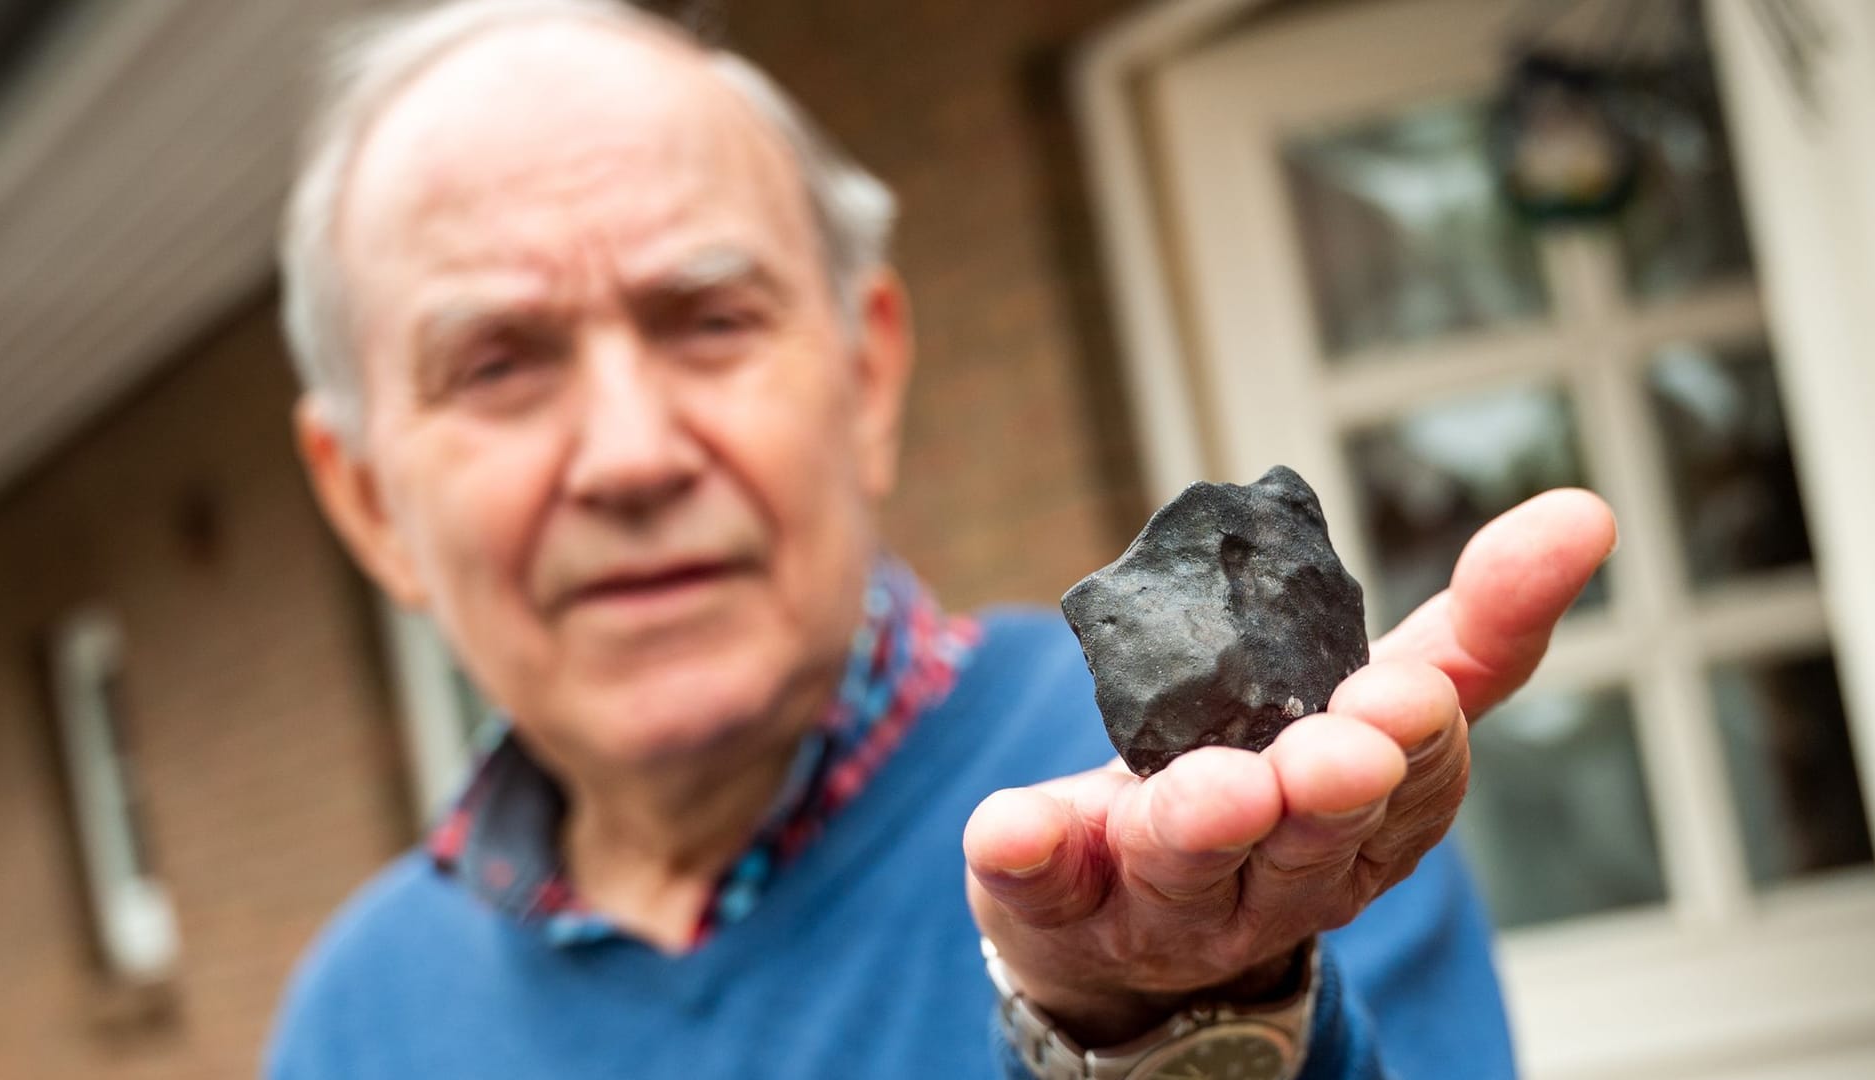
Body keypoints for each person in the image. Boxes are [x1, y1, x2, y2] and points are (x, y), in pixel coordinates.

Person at [266, 1, 1616, 1077]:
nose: (630, 452)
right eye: (498, 363)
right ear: (370, 500)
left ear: (866, 377)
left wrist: (1177, 1022)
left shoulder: (1250, 838)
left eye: (711, 318)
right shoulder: (356, 1020)